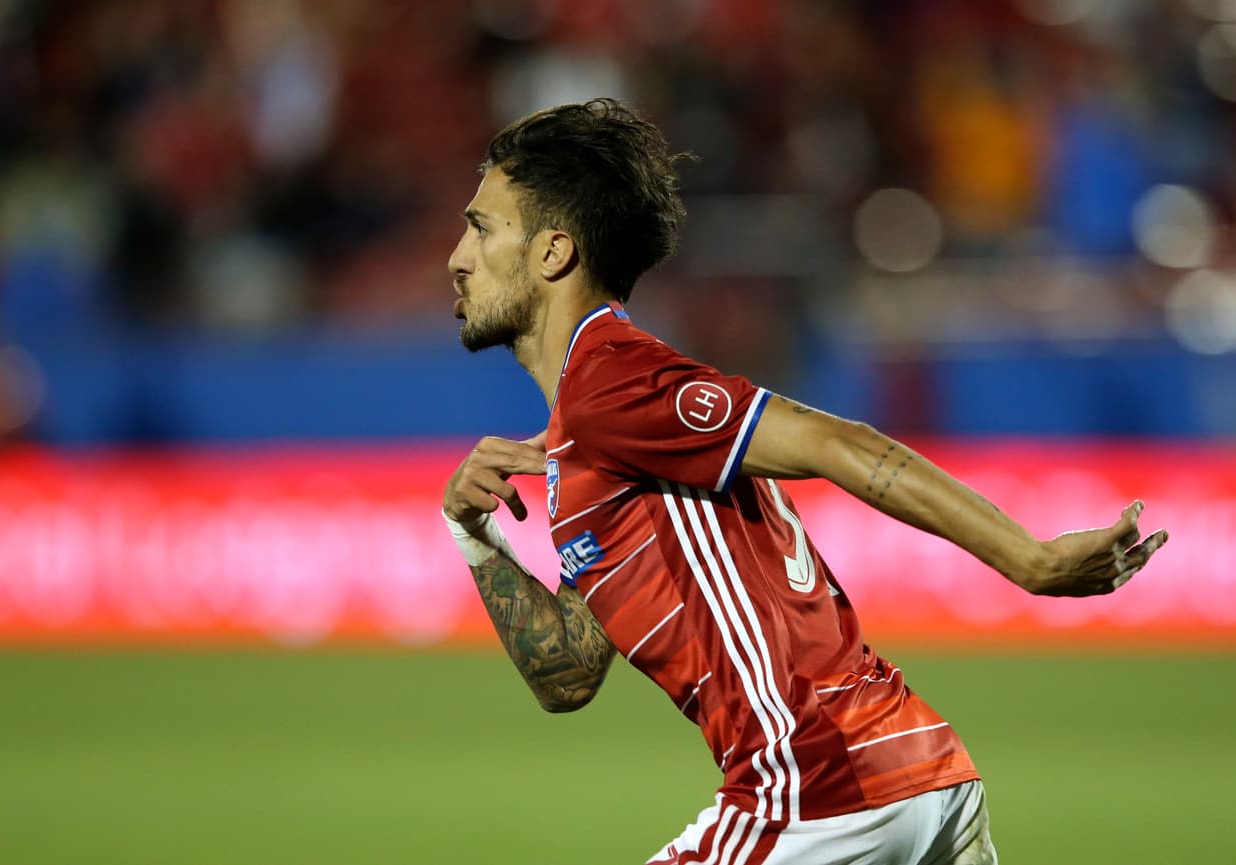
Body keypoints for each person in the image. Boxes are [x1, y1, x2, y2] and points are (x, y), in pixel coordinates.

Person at [440, 98, 1167, 865]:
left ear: (554, 252)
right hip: (914, 774)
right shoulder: (594, 436)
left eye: (482, 227)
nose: (457, 255)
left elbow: (833, 439)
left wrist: (1033, 560)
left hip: (817, 789)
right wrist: (475, 535)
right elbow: (569, 674)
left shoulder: (611, 382)